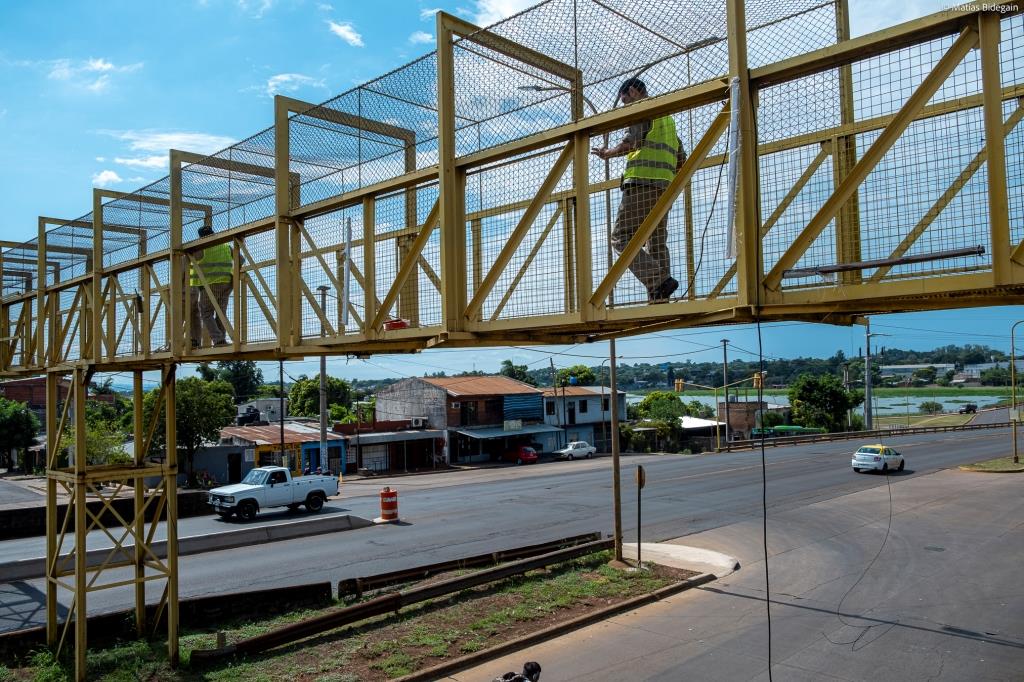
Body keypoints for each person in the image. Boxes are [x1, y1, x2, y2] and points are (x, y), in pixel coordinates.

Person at [591, 77, 686, 302]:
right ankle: (659, 296)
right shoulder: (667, 119)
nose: (625, 106)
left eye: (625, 101)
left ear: (633, 92)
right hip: (664, 188)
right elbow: (681, 159)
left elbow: (631, 142)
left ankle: (658, 281)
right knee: (656, 240)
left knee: (620, 238)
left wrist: (608, 153)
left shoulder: (641, 107)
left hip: (641, 183)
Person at [189, 224, 233, 349]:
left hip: (210, 285)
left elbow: (189, 257)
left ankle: (218, 340)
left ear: (201, 237)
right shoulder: (226, 246)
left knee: (206, 313)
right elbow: (241, 259)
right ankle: (222, 339)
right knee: (221, 312)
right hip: (227, 283)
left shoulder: (202, 248)